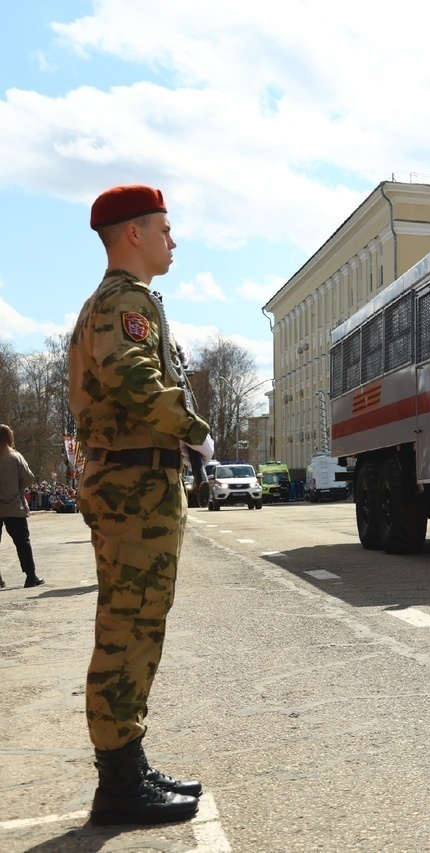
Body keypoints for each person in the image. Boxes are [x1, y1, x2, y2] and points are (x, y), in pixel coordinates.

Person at [70, 185, 210, 825]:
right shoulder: (124, 301)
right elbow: (133, 380)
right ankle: (120, 785)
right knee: (129, 630)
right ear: (134, 233)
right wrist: (197, 430)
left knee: (137, 626)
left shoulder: (124, 301)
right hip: (133, 487)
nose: (172, 240)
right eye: (164, 228)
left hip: (137, 483)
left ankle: (129, 765)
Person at [0, 424, 45, 589]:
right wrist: (18, 485)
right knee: (22, 541)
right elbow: (29, 478)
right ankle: (30, 576)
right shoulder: (15, 457)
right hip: (14, 505)